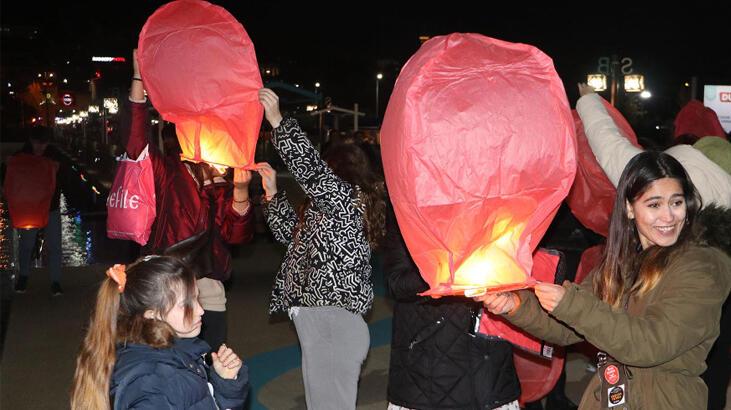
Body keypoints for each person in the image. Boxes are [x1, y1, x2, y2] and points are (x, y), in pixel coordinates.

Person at [476, 151, 731, 409]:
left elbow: (651, 344)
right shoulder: (623, 262)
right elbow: (567, 328)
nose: (668, 217)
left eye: (676, 203)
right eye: (654, 205)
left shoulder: (701, 266)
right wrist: (515, 305)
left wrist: (571, 305)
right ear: (630, 209)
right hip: (610, 397)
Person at [257, 88, 386, 409]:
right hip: (324, 326)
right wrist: (272, 195)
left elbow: (311, 171)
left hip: (333, 326)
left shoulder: (345, 200)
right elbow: (292, 239)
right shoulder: (331, 211)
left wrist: (278, 122)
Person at [125, 49, 255, 352]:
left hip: (207, 285)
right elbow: (135, 142)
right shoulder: (166, 170)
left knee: (211, 362)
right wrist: (138, 77)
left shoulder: (220, 175)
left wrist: (240, 192)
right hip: (167, 282)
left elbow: (236, 236)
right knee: (166, 363)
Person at [383, 205, 521, 410]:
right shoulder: (410, 202)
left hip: (488, 364)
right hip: (428, 365)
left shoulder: (493, 197)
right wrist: (447, 266)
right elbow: (398, 283)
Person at [70, 255, 249, 409]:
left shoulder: (178, 354)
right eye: (186, 304)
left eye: (196, 298)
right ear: (152, 315)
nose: (201, 310)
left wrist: (225, 385)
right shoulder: (154, 382)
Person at [576, 83, 731, 209]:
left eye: (676, 203)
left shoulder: (662, 174)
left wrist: (589, 99)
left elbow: (610, 145)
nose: (667, 217)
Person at [7, 127, 69, 295]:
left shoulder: (54, 155)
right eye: (36, 144)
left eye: (43, 144)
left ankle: (56, 281)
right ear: (31, 141)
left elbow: (65, 176)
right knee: (26, 245)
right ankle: (24, 276)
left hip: (51, 208)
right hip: (30, 209)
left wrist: (58, 169)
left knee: (55, 246)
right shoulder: (22, 155)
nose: (39, 148)